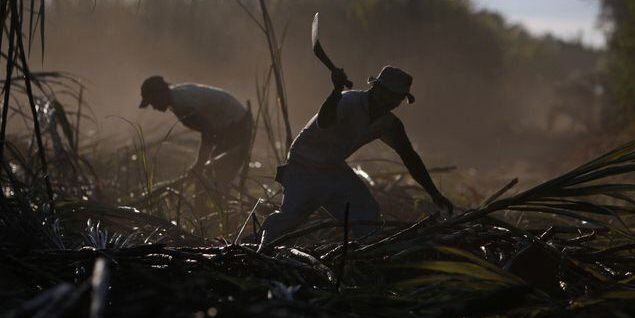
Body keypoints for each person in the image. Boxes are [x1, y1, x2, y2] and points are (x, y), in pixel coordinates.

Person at [258, 65, 453, 245]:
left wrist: (434, 193)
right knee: (289, 219)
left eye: (397, 99)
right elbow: (324, 122)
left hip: (333, 168)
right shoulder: (347, 101)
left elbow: (409, 157)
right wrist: (335, 92)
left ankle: (367, 254)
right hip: (305, 164)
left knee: (366, 213)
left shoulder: (389, 124)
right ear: (376, 89)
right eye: (389, 97)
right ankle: (250, 247)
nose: (391, 103)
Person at [139, 76, 253, 186]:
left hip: (238, 124)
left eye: (153, 102)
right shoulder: (177, 97)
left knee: (219, 176)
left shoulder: (182, 103)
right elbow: (210, 130)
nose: (154, 107)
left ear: (160, 94)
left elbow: (208, 131)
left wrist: (199, 164)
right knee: (211, 176)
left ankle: (219, 201)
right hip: (232, 125)